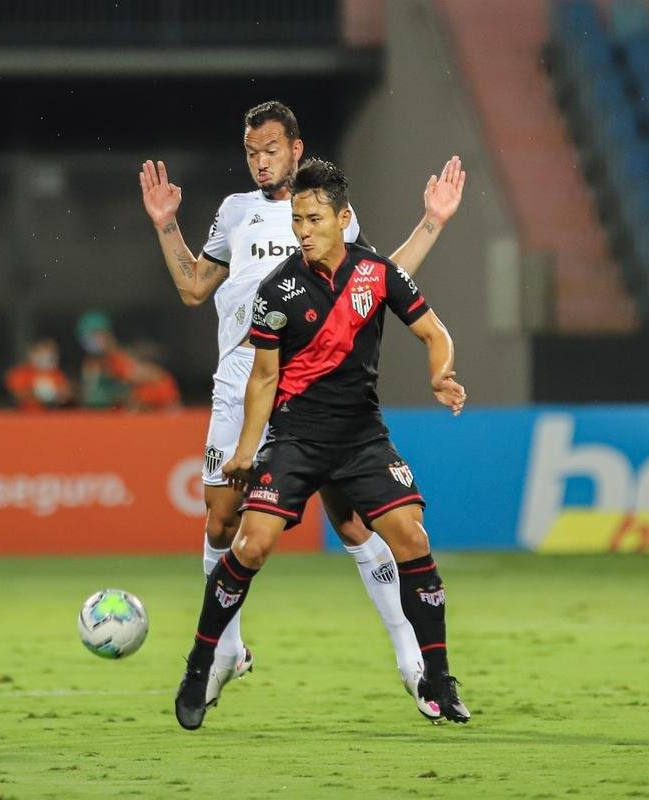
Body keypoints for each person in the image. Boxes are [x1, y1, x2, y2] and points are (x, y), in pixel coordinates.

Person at [140, 100, 465, 718]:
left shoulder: (327, 211)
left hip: (308, 391)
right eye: (250, 153)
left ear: (295, 148)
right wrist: (164, 224)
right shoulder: (233, 214)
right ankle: (227, 652)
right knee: (220, 524)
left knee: (351, 524)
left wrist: (432, 223)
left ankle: (412, 660)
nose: (260, 162)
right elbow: (192, 287)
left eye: (270, 150)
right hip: (240, 384)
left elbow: (375, 280)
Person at [77, 310, 181, 412]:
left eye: (94, 335)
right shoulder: (91, 364)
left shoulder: (117, 358)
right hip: (104, 413)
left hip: (148, 410)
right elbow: (89, 397)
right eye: (85, 336)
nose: (89, 340)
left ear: (106, 334)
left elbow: (148, 376)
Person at [6, 338, 73, 411]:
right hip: (24, 416)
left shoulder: (57, 374)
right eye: (42, 353)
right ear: (33, 354)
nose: (46, 357)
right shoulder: (21, 372)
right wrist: (38, 392)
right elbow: (17, 394)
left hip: (50, 416)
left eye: (50, 354)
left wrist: (56, 394)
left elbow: (66, 395)